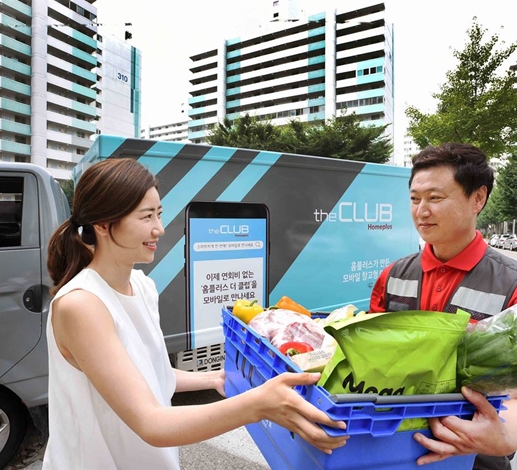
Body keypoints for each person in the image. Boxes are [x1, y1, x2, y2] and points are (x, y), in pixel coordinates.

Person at [42, 158, 348, 469]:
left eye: (159, 214)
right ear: (103, 225)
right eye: (146, 217)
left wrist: (212, 378)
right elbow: (152, 423)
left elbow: (148, 371)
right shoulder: (81, 305)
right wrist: (258, 405)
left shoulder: (141, 285)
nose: (159, 229)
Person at [369, 142, 517, 470]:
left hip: (475, 458)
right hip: (388, 448)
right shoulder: (392, 276)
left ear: (478, 198)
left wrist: (502, 437)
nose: (422, 210)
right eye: (414, 198)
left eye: (435, 198)